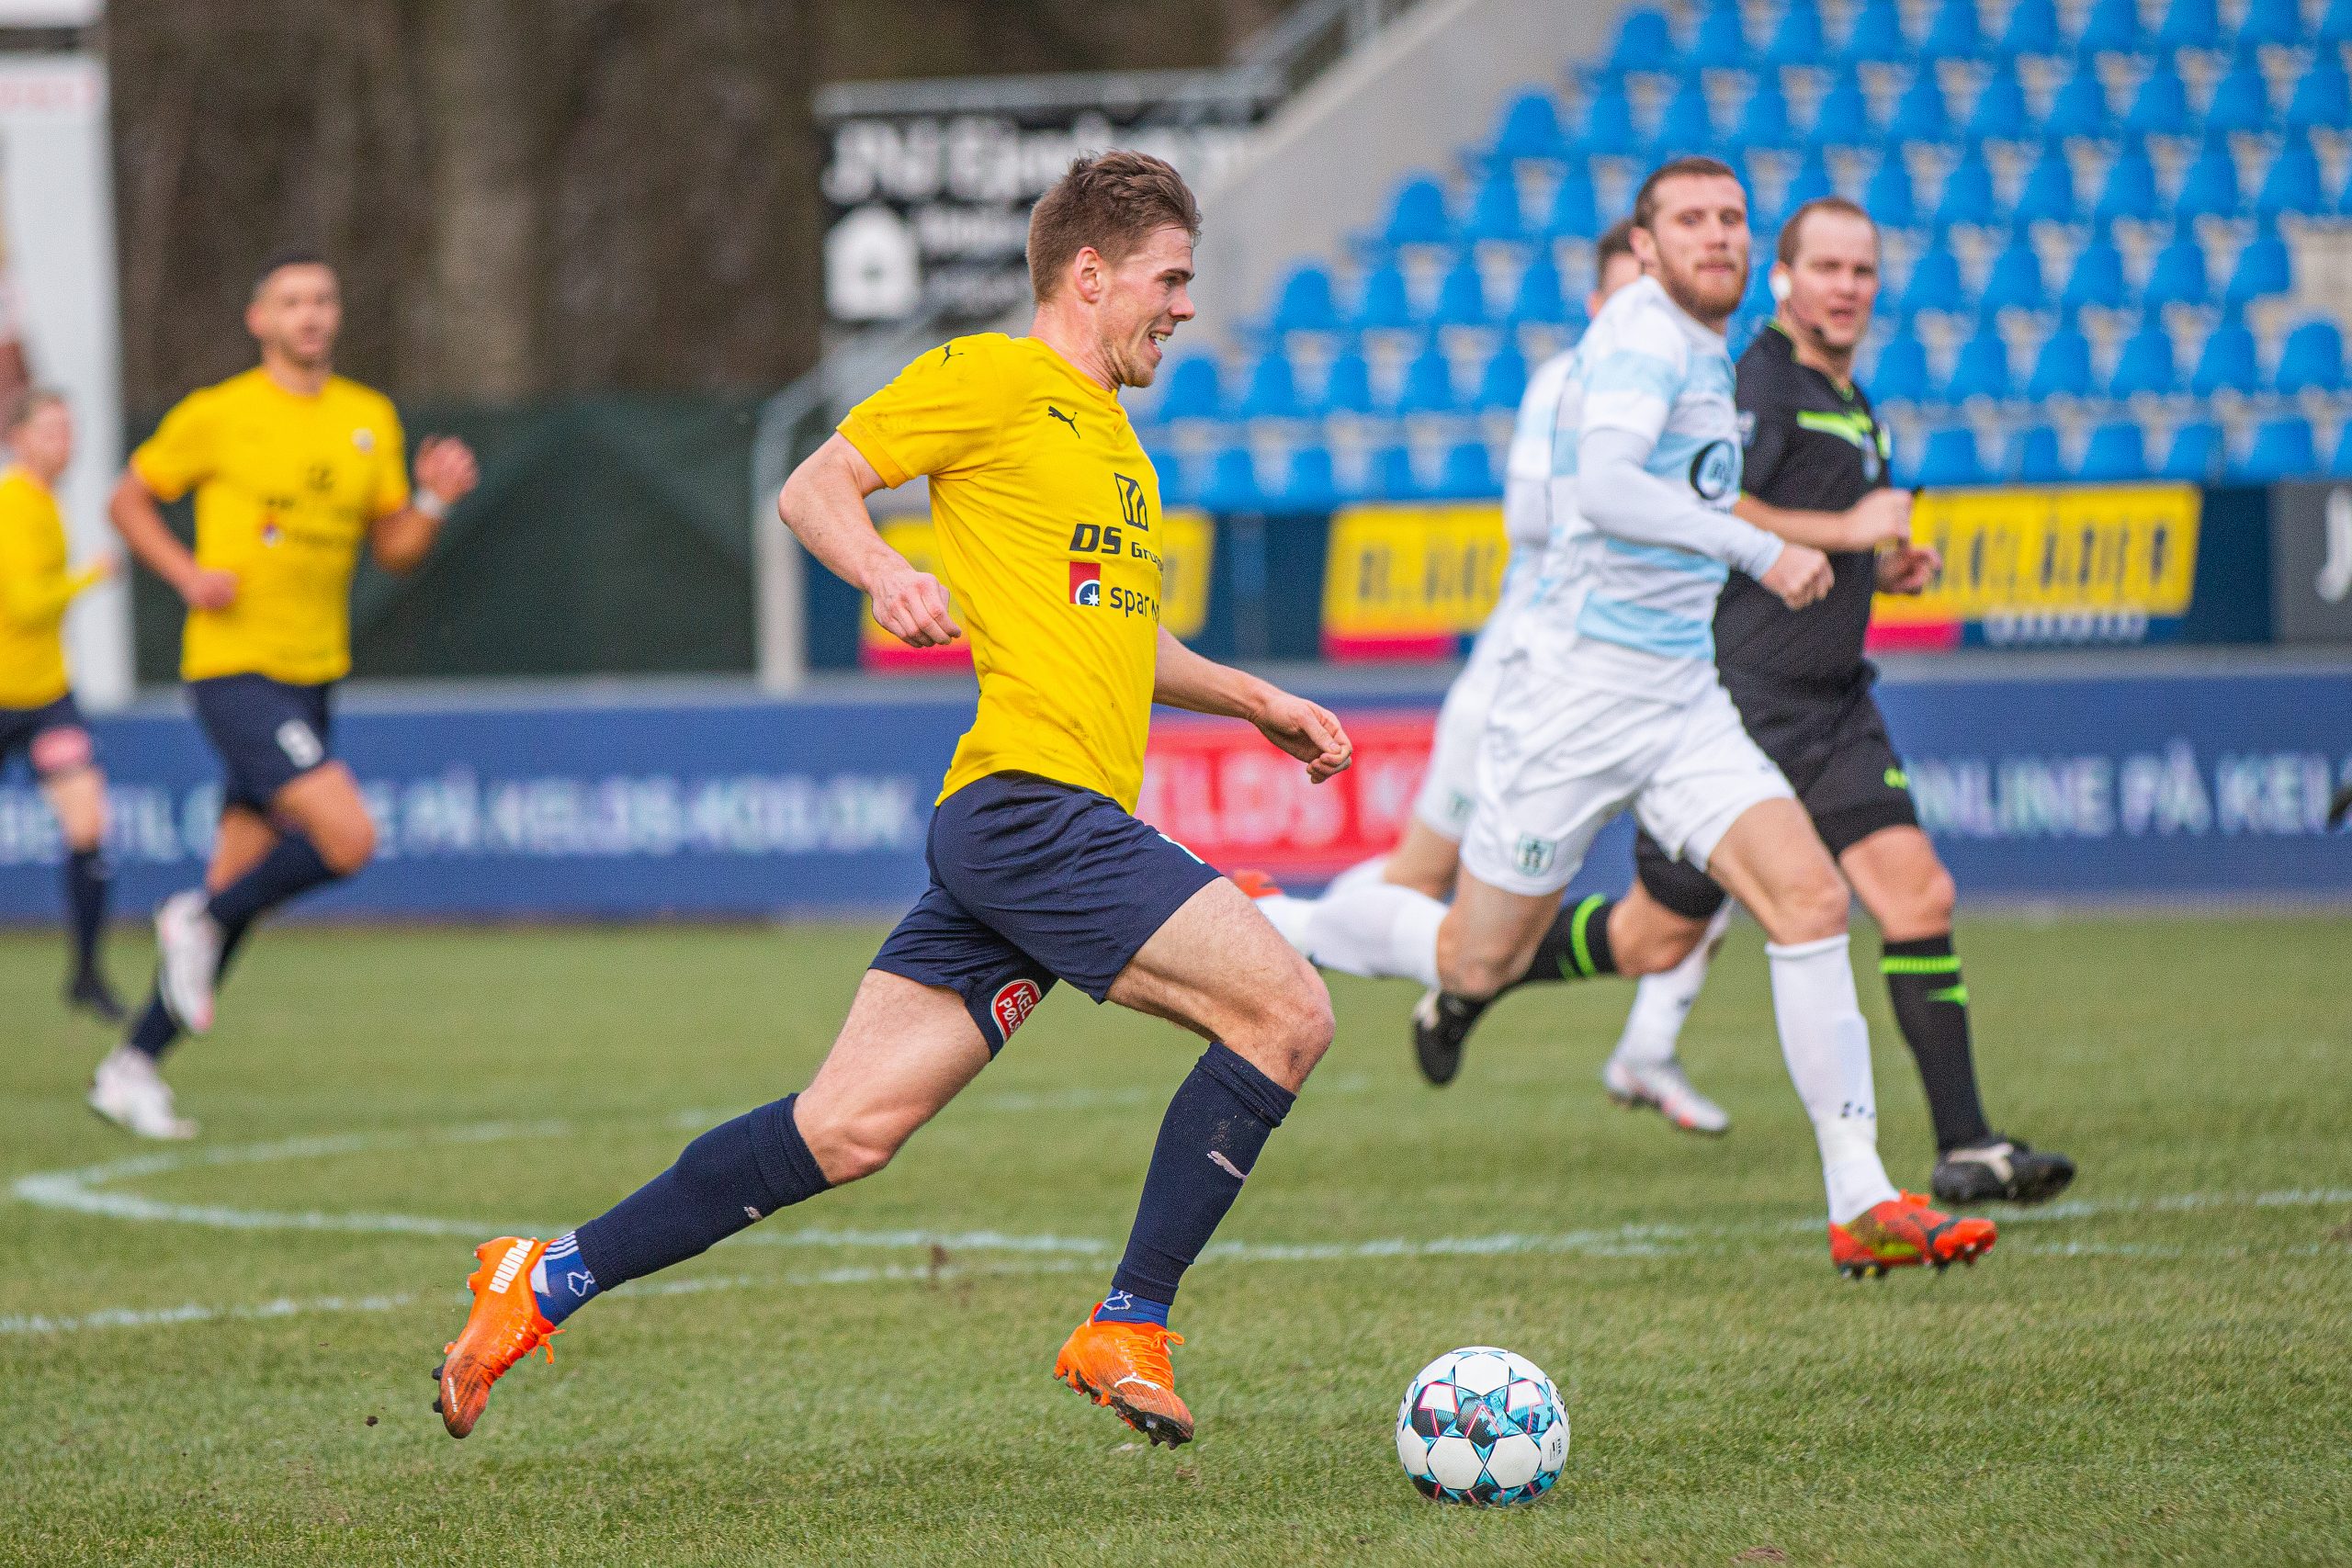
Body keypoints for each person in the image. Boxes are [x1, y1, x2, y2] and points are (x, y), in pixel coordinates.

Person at [430, 152, 1353, 1446]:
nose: (1185, 306)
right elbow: (814, 484)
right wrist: (880, 571)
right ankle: (1130, 1318)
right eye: (1171, 279)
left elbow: (1124, 635)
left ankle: (543, 1278)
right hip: (1036, 812)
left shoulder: (1115, 442)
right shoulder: (988, 376)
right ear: (1088, 274)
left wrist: (1256, 697)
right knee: (1288, 1010)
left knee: (847, 1126)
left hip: (1018, 829)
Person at [1261, 158, 1995, 1279]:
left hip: (1679, 700)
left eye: (1732, 219)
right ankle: (1283, 921)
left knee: (1807, 900)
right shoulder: (1644, 341)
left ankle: (1860, 1196)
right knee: (1472, 959)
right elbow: (1599, 490)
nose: (1718, 236)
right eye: (1690, 220)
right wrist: (1763, 545)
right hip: (1571, 707)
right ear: (1644, 249)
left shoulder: (1703, 348)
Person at [1600, 197, 2075, 1205]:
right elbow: (1706, 503)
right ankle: (1468, 982)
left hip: (1832, 704)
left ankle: (1967, 1147)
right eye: (1826, 268)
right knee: (1655, 936)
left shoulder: (1853, 396)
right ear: (1784, 277)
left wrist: (1883, 563)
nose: (1846, 286)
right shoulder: (1758, 383)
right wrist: (1853, 524)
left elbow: (1831, 534)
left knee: (1918, 896)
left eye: (1861, 270)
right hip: (1742, 701)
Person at [1256, 221, 1738, 1134]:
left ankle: (1643, 1049)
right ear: (1599, 306)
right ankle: (1284, 937)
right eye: (1628, 290)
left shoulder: (1706, 389)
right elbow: (1537, 518)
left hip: (1656, 683)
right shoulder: (1570, 384)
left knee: (1722, 861)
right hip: (1531, 685)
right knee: (1427, 881)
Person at [94, 253, 480, 1139]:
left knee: (239, 883)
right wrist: (187, 574)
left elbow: (396, 548)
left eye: (323, 300)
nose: (311, 314)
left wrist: (433, 498)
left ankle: (132, 1063)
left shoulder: (365, 417)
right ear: (258, 319)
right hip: (234, 669)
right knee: (346, 836)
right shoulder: (218, 414)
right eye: (292, 301)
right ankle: (194, 918)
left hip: (314, 673)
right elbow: (127, 500)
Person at [0, 389, 124, 1020]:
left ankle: (85, 971)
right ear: (17, 437)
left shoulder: (49, 502)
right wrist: (93, 573)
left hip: (46, 695)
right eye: (49, 430)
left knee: (88, 827)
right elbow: (26, 604)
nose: (63, 442)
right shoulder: (11, 502)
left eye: (69, 431)